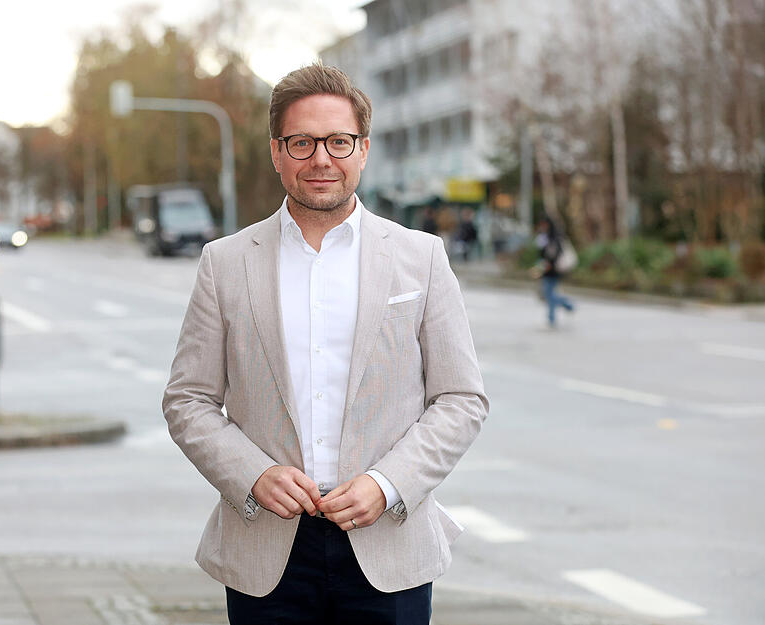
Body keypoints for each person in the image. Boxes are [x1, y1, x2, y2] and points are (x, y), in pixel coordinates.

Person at [162, 64, 488, 625]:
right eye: (302, 142)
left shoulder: (421, 257)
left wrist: (388, 484)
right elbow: (187, 399)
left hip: (387, 543)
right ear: (276, 151)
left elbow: (461, 399)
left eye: (338, 141)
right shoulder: (226, 262)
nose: (321, 158)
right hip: (266, 549)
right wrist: (252, 474)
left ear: (362, 149)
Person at [532, 216, 575, 327]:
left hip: (554, 269)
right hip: (545, 268)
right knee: (549, 294)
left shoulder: (555, 237)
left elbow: (556, 253)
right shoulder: (542, 236)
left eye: (544, 224)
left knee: (549, 294)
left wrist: (550, 264)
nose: (542, 226)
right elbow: (540, 254)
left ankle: (554, 315)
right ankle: (565, 304)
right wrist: (538, 267)